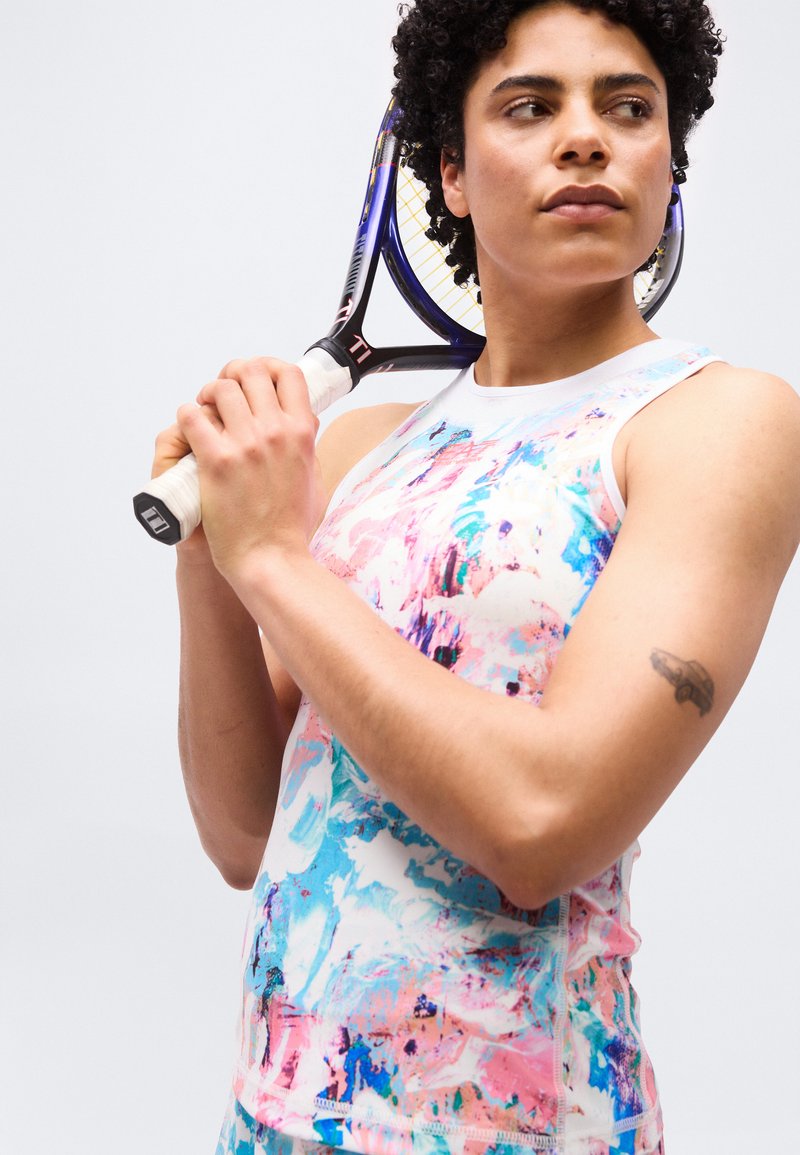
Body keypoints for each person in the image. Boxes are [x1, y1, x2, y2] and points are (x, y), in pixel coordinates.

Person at [152, 2, 800, 1152]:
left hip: (524, 1126)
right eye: (528, 106)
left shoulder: (716, 423)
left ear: (666, 160)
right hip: (277, 1118)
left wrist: (271, 558)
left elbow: (542, 824)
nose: (585, 136)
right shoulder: (362, 449)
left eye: (627, 107)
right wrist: (213, 560)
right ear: (449, 172)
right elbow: (246, 835)